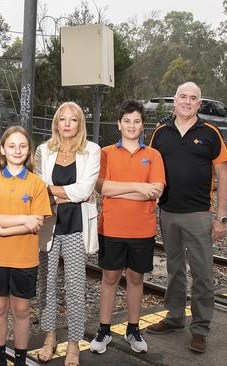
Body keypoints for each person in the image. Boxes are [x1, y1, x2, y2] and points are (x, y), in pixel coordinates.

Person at [146, 82, 227, 353]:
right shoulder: (160, 133)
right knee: (174, 270)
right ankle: (174, 317)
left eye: (193, 98)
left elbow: (224, 176)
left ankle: (200, 328)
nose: (187, 101)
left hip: (199, 215)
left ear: (199, 103)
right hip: (168, 213)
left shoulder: (211, 133)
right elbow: (148, 170)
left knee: (203, 273)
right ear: (175, 100)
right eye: (183, 96)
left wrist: (221, 217)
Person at [89, 100, 166, 355]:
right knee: (109, 278)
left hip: (142, 230)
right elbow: (102, 188)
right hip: (111, 228)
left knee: (135, 278)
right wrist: (139, 187)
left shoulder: (153, 155)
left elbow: (155, 191)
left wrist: (126, 190)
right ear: (119, 124)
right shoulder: (107, 152)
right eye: (127, 121)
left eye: (136, 121)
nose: (131, 126)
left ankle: (133, 329)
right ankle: (104, 329)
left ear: (142, 125)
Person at [0, 126, 53, 366]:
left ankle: (20, 359)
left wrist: (2, 228)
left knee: (21, 310)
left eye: (22, 146)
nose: (17, 150)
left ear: (28, 150)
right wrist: (23, 219)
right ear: (2, 149)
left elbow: (37, 223)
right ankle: (0, 358)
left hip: (25, 259)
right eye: (11, 146)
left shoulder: (36, 184)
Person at [34, 102, 101, 366]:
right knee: (47, 285)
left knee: (74, 287)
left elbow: (85, 190)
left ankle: (73, 342)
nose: (68, 124)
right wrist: (66, 193)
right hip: (50, 225)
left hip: (76, 226)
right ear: (56, 123)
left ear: (80, 124)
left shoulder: (92, 150)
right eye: (63, 119)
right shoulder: (43, 150)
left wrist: (54, 192)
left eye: (73, 119)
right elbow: (39, 188)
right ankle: (49, 337)